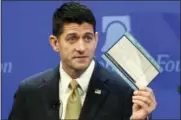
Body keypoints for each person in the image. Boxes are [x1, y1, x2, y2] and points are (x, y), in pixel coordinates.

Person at [8, 2, 157, 120]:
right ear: (55, 43)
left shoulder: (123, 92)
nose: (81, 48)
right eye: (72, 38)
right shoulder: (29, 91)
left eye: (87, 38)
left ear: (96, 40)